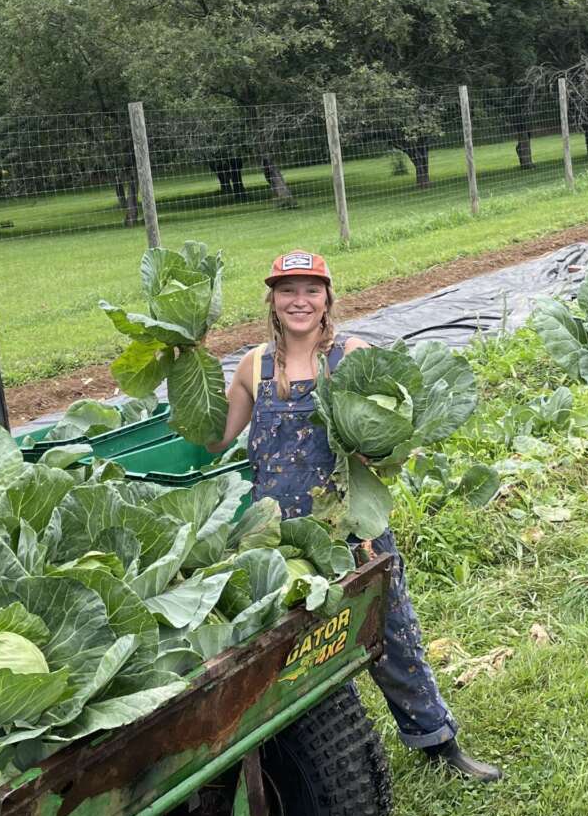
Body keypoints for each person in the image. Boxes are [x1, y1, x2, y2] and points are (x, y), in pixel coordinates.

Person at [213, 249, 502, 782]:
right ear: (272, 301)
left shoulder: (352, 356)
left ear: (327, 300)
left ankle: (437, 741)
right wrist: (189, 371)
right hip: (278, 542)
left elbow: (395, 439)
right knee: (299, 648)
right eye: (286, 290)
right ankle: (327, 754)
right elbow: (217, 438)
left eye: (311, 290)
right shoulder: (255, 365)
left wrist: (380, 446)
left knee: (392, 632)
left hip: (351, 529)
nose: (299, 301)